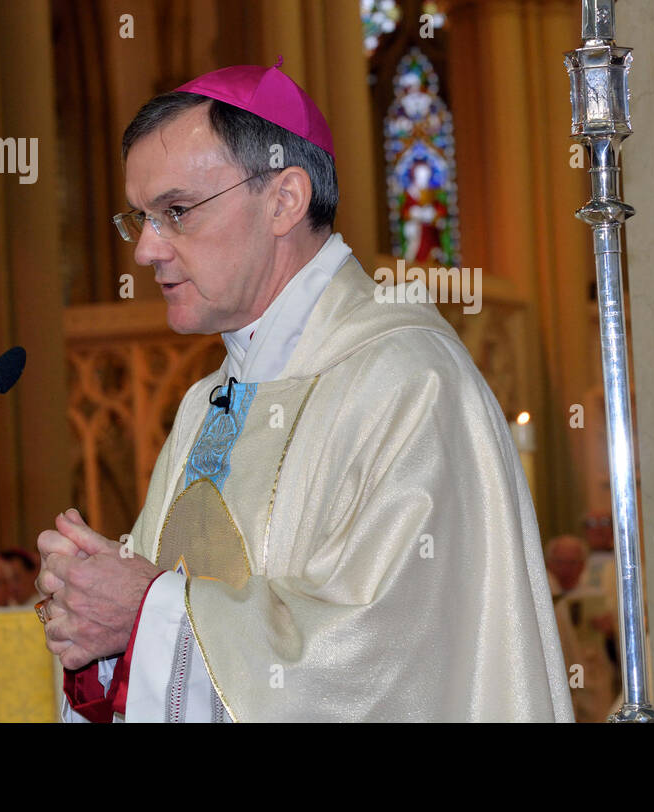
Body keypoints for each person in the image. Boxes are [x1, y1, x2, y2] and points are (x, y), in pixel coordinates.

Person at [36, 61, 571, 722]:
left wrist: (150, 611)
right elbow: (152, 624)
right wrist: (98, 624)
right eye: (140, 219)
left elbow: (389, 662)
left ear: (285, 199)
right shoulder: (209, 402)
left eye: (175, 212)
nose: (146, 250)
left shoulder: (408, 377)